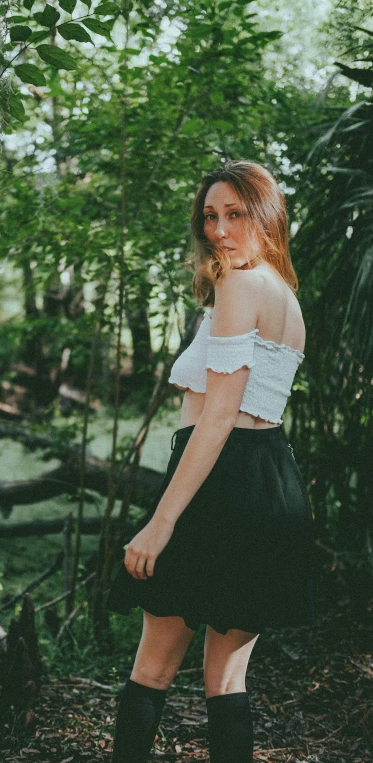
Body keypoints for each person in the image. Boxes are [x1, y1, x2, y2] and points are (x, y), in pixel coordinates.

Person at [105, 160, 318, 763]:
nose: (219, 230)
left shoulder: (240, 284)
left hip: (218, 484)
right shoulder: (286, 299)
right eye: (209, 216)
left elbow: (219, 415)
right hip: (274, 486)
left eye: (235, 214)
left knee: (152, 668)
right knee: (227, 681)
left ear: (267, 215)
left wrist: (162, 521)